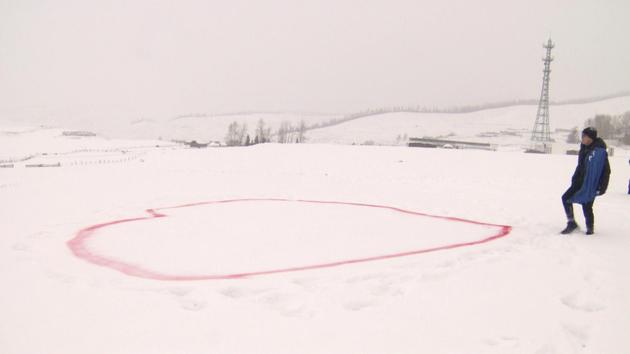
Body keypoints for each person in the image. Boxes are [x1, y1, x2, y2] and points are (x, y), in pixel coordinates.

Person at [561, 127, 611, 235]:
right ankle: (571, 223)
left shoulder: (599, 152)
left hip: (591, 183)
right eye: (582, 136)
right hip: (579, 181)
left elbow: (606, 171)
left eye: (584, 136)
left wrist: (602, 187)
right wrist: (575, 178)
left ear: (591, 138)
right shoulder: (584, 148)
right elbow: (580, 166)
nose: (582, 138)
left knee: (587, 205)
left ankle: (590, 229)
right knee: (565, 198)